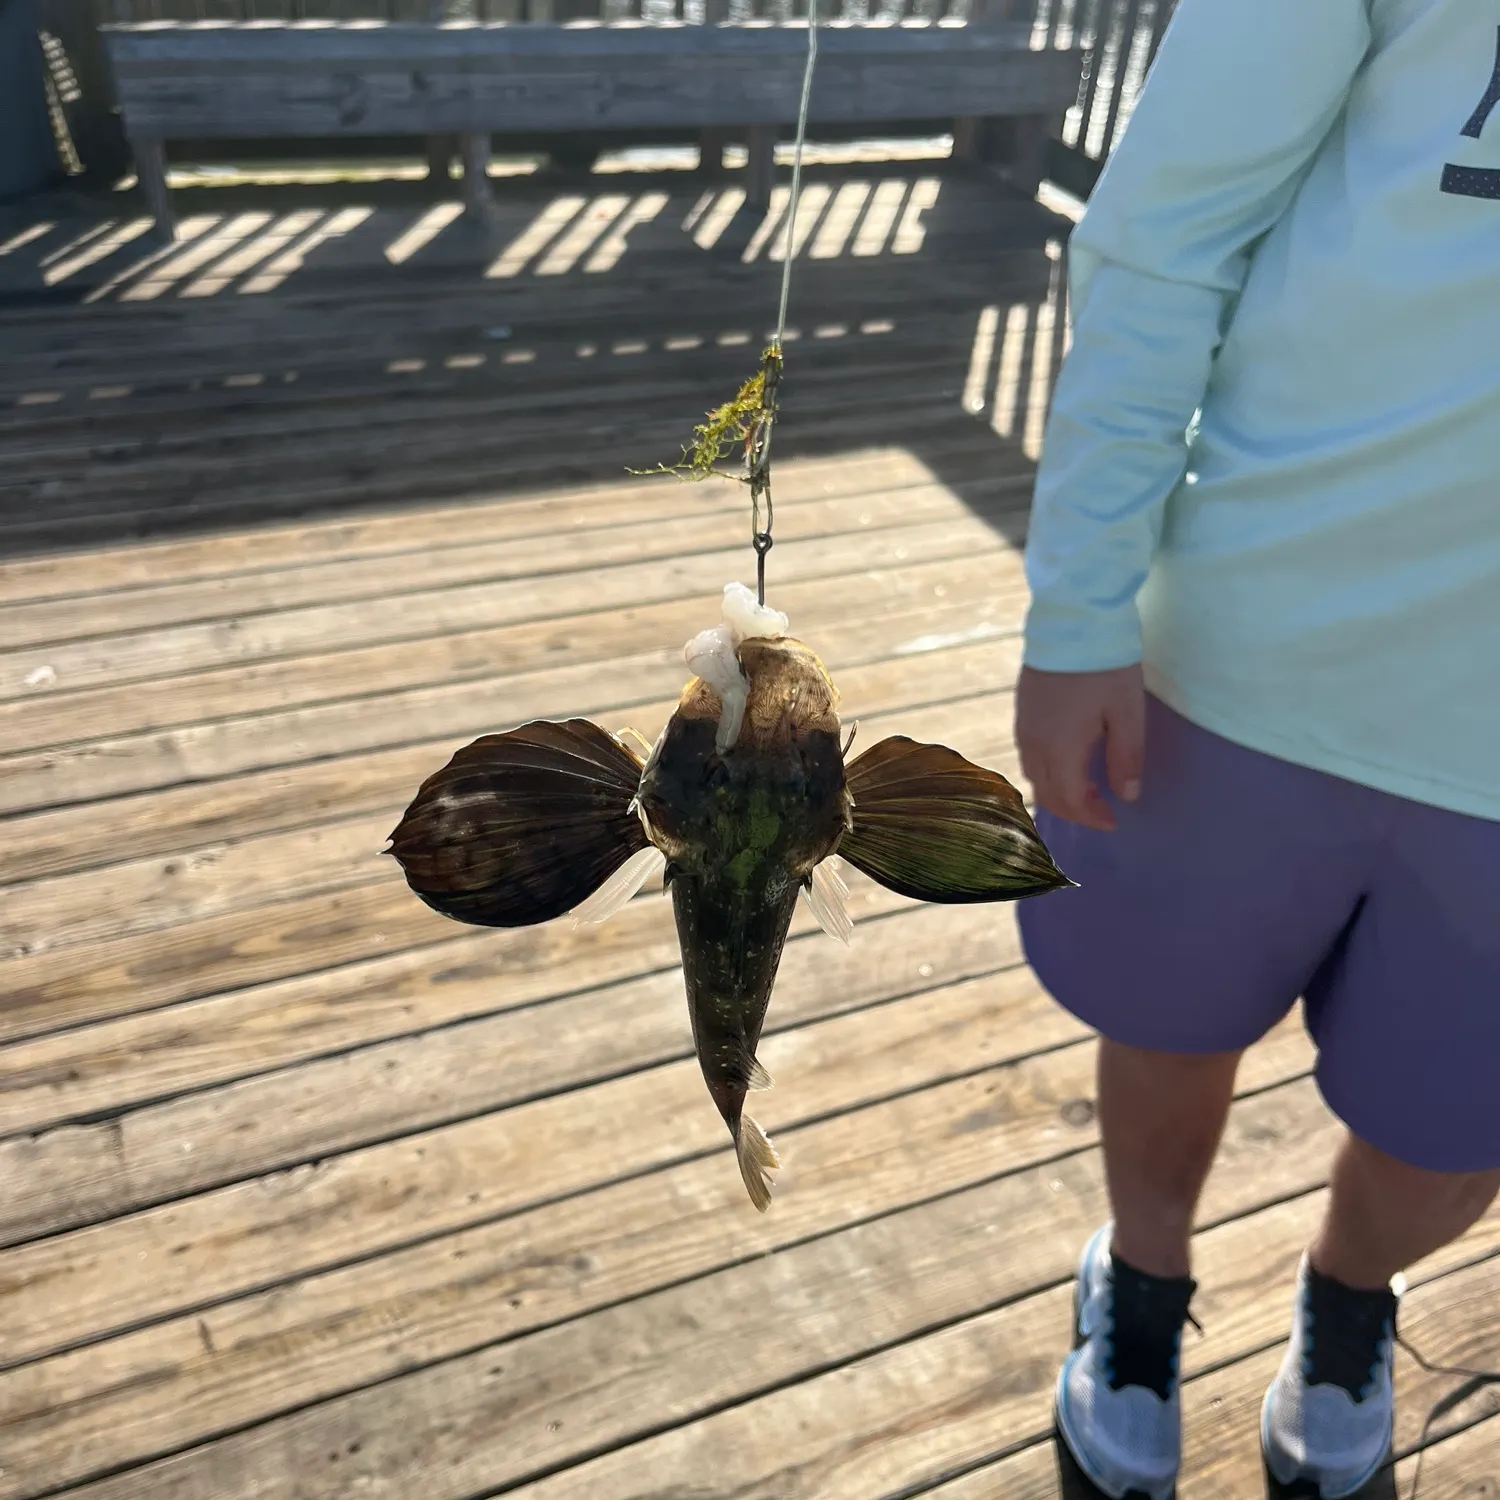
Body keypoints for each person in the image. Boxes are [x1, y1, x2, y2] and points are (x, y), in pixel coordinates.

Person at [1014, 1, 1500, 1496]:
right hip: (1251, 654)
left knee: (1455, 1140)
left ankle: (1348, 1301)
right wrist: (1081, 606)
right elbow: (1165, 237)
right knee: (1169, 1025)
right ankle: (1141, 1285)